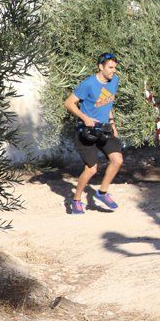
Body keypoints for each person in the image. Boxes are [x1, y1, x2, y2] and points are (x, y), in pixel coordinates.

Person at [63, 53, 123, 214]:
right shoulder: (88, 84)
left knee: (117, 160)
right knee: (91, 169)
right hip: (86, 131)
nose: (113, 71)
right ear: (100, 67)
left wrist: (113, 125)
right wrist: (84, 117)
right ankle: (76, 200)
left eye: (115, 67)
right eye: (110, 68)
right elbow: (68, 103)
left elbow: (108, 103)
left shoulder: (114, 81)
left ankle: (102, 193)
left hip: (104, 129)